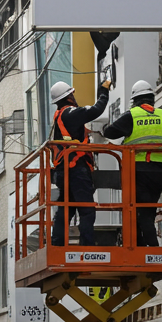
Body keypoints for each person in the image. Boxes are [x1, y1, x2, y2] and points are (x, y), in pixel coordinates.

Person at [103, 80, 162, 247]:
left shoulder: (132, 115)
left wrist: (108, 125)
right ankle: (142, 246)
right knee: (146, 210)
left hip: (138, 170)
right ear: (151, 99)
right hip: (159, 172)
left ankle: (151, 249)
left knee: (140, 212)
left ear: (135, 100)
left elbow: (110, 132)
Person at [49, 77, 112, 246]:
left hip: (64, 170)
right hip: (75, 169)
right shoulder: (70, 113)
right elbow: (96, 110)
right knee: (86, 210)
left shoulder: (60, 117)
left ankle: (57, 244)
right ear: (69, 97)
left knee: (66, 207)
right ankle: (87, 246)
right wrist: (104, 91)